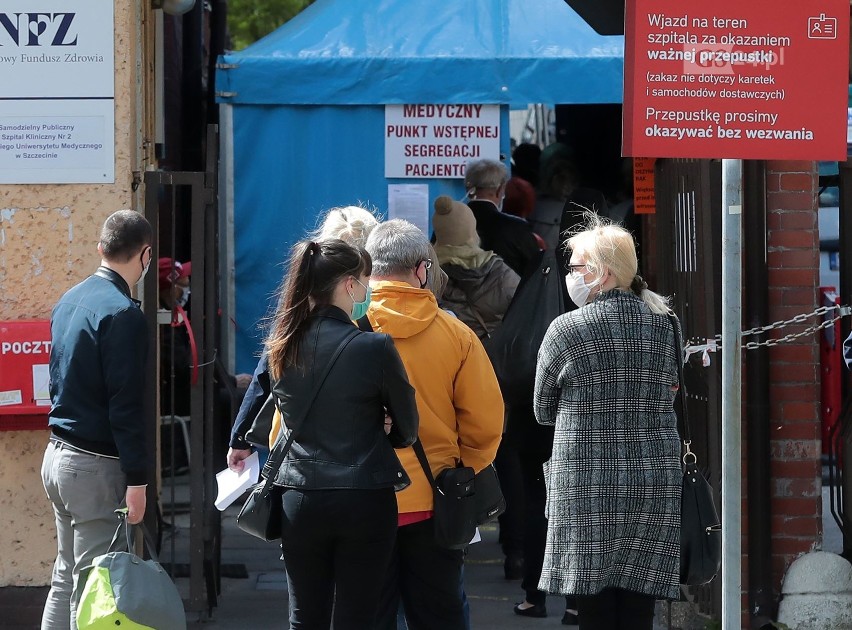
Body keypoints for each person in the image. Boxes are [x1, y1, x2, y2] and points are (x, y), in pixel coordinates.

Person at [227, 238, 419, 630]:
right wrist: (383, 426)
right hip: (364, 498)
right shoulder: (375, 347)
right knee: (358, 615)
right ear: (350, 284)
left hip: (300, 497)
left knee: (305, 615)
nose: (366, 290)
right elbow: (408, 429)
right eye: (364, 280)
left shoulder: (281, 346)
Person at [535, 216, 682, 630]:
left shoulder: (565, 329)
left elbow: (542, 411)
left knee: (594, 613)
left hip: (587, 485)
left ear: (603, 273)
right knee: (639, 611)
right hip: (652, 481)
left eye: (577, 267)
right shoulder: (665, 323)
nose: (570, 276)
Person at [364, 220, 504, 630]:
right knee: (440, 614)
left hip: (360, 500)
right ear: (423, 270)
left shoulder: (343, 330)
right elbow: (485, 423)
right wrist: (464, 471)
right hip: (436, 500)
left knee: (368, 615)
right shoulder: (456, 335)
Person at [41, 209, 153, 630]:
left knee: (65, 578)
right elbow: (126, 406)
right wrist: (139, 480)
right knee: (94, 587)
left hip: (58, 457)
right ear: (145, 255)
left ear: (101, 248)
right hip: (94, 467)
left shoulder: (70, 298)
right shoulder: (123, 314)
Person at [229, 205, 381, 451]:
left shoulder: (298, 297)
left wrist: (239, 438)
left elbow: (268, 368)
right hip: (356, 443)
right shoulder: (377, 303)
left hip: (295, 444)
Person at [431, 195, 519, 339]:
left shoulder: (425, 274)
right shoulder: (501, 273)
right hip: (489, 356)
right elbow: (523, 315)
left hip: (446, 355)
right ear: (472, 232)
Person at [464, 158, 541, 278]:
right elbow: (537, 270)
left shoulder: (447, 224)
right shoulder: (517, 227)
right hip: (509, 295)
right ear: (500, 190)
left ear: (468, 189)